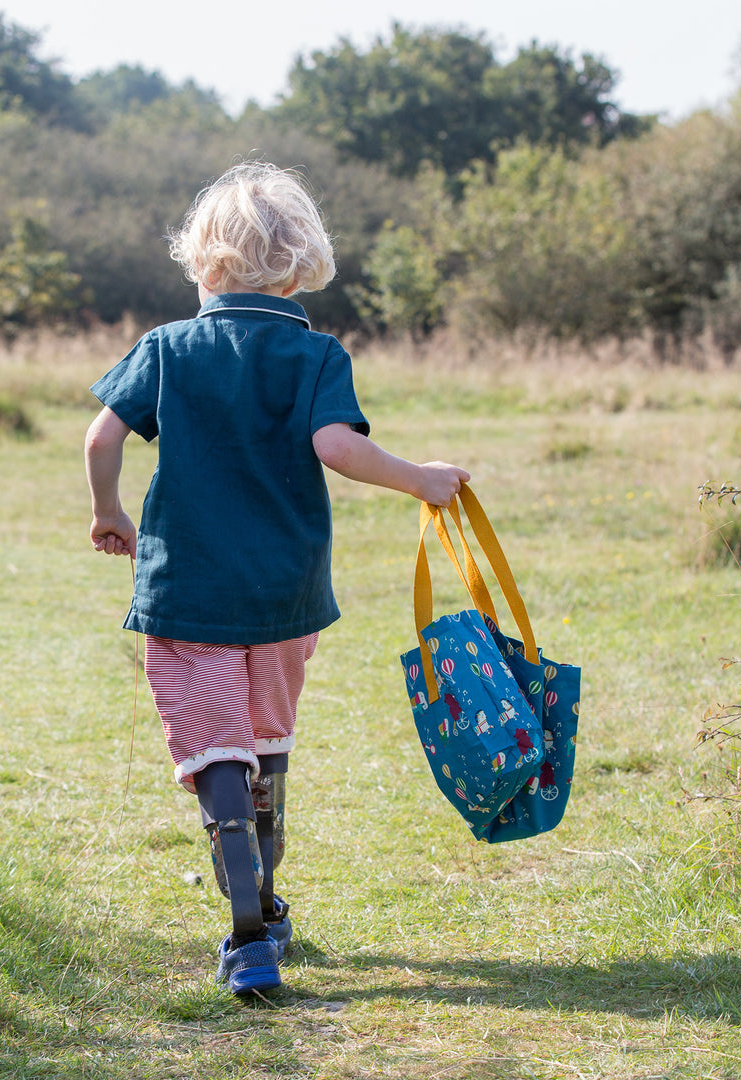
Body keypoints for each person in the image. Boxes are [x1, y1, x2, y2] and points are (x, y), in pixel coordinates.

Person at [84, 162, 469, 995]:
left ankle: (248, 928)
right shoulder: (316, 354)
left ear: (202, 261)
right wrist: (421, 478)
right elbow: (337, 448)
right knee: (266, 741)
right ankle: (269, 902)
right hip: (286, 592)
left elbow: (100, 439)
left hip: (187, 586)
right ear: (301, 263)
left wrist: (110, 513)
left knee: (214, 744)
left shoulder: (167, 348)